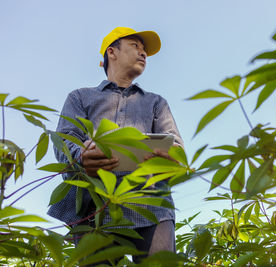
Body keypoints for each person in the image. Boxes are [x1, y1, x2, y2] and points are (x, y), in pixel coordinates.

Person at [47, 27, 183, 263]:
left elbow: (176, 147)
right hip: (95, 207)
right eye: (135, 46)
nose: (143, 54)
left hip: (152, 205)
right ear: (112, 52)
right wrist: (81, 157)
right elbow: (65, 140)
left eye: (145, 51)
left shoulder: (156, 103)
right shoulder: (80, 97)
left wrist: (169, 157)